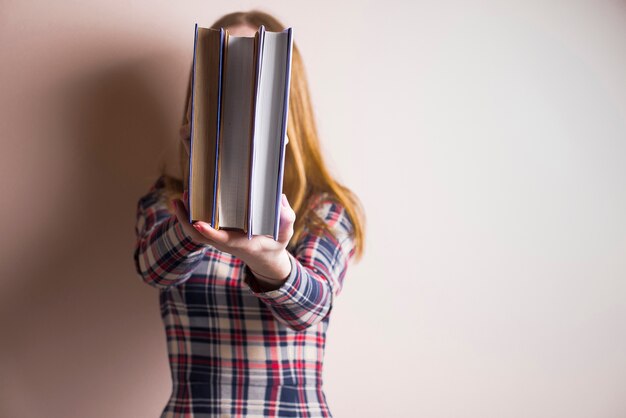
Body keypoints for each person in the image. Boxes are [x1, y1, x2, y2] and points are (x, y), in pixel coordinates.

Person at [133, 10, 365, 418]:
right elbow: (155, 270)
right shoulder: (166, 202)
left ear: (282, 96)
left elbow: (311, 308)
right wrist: (193, 220)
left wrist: (270, 258)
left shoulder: (324, 209)